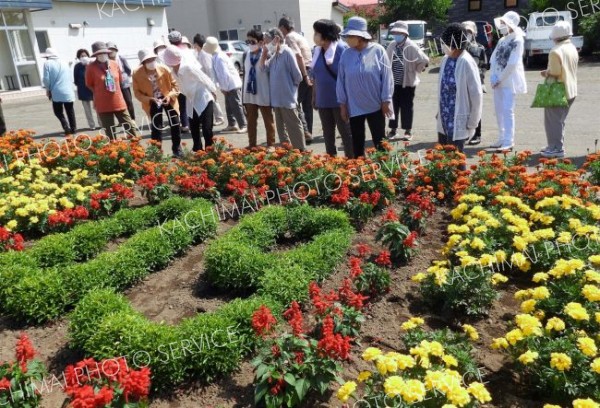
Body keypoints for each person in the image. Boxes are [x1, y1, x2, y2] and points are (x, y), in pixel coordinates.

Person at [337, 17, 393, 158]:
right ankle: (359, 171)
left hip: (376, 105)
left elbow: (387, 76)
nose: (348, 38)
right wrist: (342, 104)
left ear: (361, 36)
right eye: (347, 36)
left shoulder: (378, 50)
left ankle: (385, 169)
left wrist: (386, 100)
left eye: (351, 36)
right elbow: (341, 81)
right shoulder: (346, 55)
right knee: (357, 141)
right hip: (354, 106)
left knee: (380, 141)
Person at [436, 23, 482, 159]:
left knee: (456, 159)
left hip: (458, 119)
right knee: (443, 161)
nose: (443, 46)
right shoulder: (446, 60)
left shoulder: (466, 62)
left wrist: (473, 122)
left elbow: (477, 95)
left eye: (445, 43)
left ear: (454, 43)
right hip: (444, 117)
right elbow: (442, 89)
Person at [162, 45, 217, 152]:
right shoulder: (173, 72)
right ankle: (198, 151)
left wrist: (213, 91)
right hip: (191, 100)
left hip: (203, 98)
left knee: (207, 129)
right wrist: (170, 95)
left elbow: (203, 77)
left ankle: (211, 153)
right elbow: (180, 88)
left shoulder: (188, 67)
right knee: (194, 129)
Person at [311, 19, 353, 157]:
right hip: (323, 101)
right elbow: (315, 76)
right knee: (328, 135)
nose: (315, 36)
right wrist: (314, 96)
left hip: (340, 101)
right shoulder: (317, 51)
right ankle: (332, 165)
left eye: (317, 32)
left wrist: (346, 102)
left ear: (326, 34)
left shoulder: (342, 49)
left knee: (347, 135)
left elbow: (348, 77)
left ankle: (352, 163)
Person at [260, 28, 305, 151]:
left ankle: (301, 152)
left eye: (267, 41)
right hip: (276, 101)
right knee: (281, 130)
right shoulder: (274, 55)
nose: (266, 44)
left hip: (287, 99)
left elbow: (298, 77)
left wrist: (291, 90)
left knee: (293, 127)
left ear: (276, 39)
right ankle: (288, 154)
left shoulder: (287, 52)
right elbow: (263, 68)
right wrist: (264, 53)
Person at [539, 20, 579, 159]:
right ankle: (554, 144)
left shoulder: (555, 51)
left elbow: (556, 71)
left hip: (557, 88)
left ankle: (556, 148)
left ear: (555, 36)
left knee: (552, 120)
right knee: (559, 120)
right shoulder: (572, 47)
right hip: (571, 88)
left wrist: (546, 72)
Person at [133, 49, 182, 157]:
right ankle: (156, 151)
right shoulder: (137, 73)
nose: (151, 61)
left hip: (167, 98)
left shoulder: (164, 69)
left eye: (152, 59)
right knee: (156, 126)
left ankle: (177, 149)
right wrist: (149, 99)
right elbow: (137, 93)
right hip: (152, 101)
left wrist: (169, 96)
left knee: (175, 123)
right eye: (148, 60)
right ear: (143, 62)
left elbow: (175, 86)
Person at [86, 41, 140, 140]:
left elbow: (119, 80)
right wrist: (100, 92)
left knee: (130, 129)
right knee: (110, 134)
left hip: (118, 102)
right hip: (103, 104)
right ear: (96, 55)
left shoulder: (114, 64)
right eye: (100, 54)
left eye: (104, 53)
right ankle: (115, 153)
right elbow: (89, 84)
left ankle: (137, 150)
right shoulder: (91, 68)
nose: (103, 55)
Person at [489, 11, 527, 151]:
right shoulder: (502, 40)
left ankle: (508, 140)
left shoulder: (518, 39)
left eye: (505, 23)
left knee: (507, 110)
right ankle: (501, 136)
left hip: (508, 81)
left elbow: (512, 63)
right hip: (497, 81)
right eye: (502, 23)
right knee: (498, 110)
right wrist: (493, 77)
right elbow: (493, 59)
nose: (502, 26)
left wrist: (500, 78)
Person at [385, 20, 429, 141]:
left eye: (399, 33)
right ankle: (393, 129)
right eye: (395, 32)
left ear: (405, 34)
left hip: (408, 83)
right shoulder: (392, 45)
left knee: (407, 107)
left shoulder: (412, 46)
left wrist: (418, 68)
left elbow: (424, 60)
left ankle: (407, 130)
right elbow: (386, 62)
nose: (396, 35)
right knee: (393, 106)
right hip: (393, 83)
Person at [279, 16, 313, 145]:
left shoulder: (289, 37)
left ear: (283, 27)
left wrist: (304, 76)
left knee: (295, 104)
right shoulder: (300, 36)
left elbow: (298, 56)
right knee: (307, 106)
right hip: (309, 70)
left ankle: (304, 132)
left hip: (302, 72)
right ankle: (308, 132)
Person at [203, 36, 247, 133]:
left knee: (236, 105)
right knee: (229, 106)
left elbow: (225, 75)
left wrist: (224, 88)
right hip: (228, 85)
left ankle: (243, 125)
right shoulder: (216, 56)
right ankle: (232, 124)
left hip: (231, 85)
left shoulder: (219, 58)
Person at [243, 29, 276, 148]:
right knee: (251, 121)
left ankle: (271, 144)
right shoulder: (246, 54)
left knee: (268, 120)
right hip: (250, 93)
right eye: (248, 41)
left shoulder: (266, 53)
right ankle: (252, 144)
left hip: (263, 91)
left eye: (252, 41)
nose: (250, 44)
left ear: (261, 42)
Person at [462, 21, 487, 146]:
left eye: (469, 32)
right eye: (464, 31)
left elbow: (483, 66)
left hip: (475, 82)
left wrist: (481, 81)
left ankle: (477, 134)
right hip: (460, 83)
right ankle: (462, 133)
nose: (467, 34)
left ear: (474, 33)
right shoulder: (456, 48)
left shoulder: (479, 48)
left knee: (475, 108)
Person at [192, 34, 225, 126]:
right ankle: (218, 117)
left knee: (213, 99)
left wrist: (211, 83)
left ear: (197, 44)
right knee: (211, 100)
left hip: (208, 80)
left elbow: (209, 69)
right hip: (204, 80)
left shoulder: (204, 53)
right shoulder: (200, 53)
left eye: (194, 44)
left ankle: (219, 118)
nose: (193, 46)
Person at [42, 47, 77, 135]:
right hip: (68, 90)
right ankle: (73, 128)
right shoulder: (64, 62)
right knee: (70, 110)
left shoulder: (47, 63)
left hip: (56, 91)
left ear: (47, 56)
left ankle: (66, 126)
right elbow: (70, 76)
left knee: (58, 111)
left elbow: (46, 79)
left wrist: (48, 89)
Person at [168, 30, 191, 133]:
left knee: (182, 105)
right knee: (191, 103)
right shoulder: (187, 52)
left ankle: (185, 124)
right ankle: (193, 123)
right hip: (189, 81)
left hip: (178, 82)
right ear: (181, 40)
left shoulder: (169, 52)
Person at [107, 42, 136, 121]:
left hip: (124, 82)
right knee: (118, 103)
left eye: (113, 50)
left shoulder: (121, 58)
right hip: (113, 84)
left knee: (128, 101)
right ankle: (122, 120)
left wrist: (126, 77)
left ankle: (132, 118)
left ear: (116, 50)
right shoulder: (106, 61)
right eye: (109, 50)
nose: (111, 52)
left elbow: (128, 69)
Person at [73, 49, 97, 130]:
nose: (84, 57)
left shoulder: (92, 64)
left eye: (85, 55)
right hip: (82, 89)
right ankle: (92, 125)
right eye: (81, 56)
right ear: (79, 57)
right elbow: (75, 79)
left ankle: (101, 123)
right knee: (87, 110)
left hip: (93, 89)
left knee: (98, 107)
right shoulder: (77, 66)